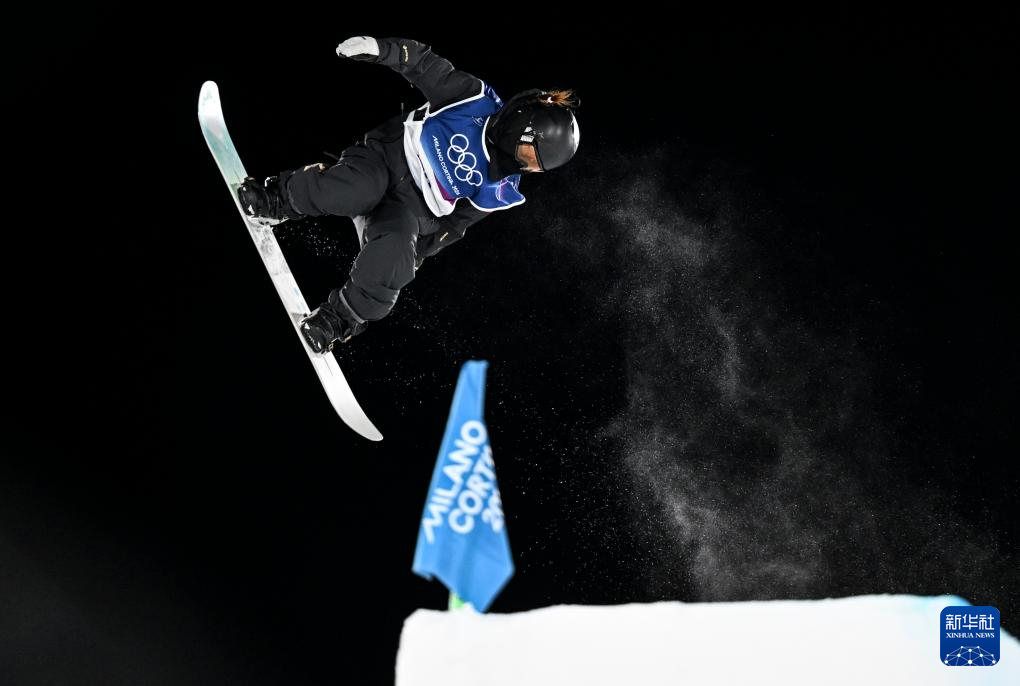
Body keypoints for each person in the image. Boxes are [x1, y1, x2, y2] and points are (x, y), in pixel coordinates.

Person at [237, 36, 580, 353]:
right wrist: (381, 49)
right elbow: (423, 64)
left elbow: (455, 226)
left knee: (397, 261)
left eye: (536, 168)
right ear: (519, 126)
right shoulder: (473, 99)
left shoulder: (501, 189)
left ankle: (336, 319)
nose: (525, 168)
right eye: (528, 156)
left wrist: (417, 252)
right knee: (350, 190)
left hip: (410, 210)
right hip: (385, 161)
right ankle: (276, 200)